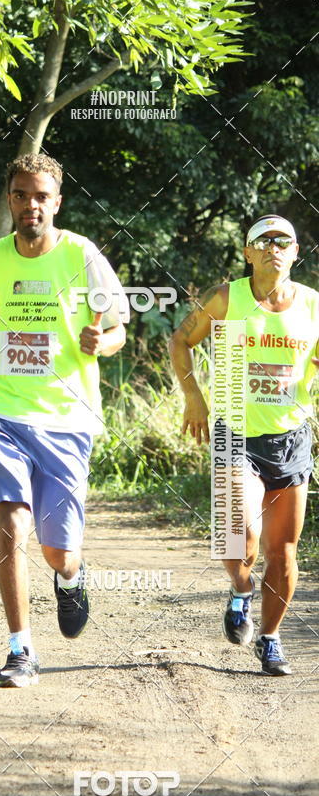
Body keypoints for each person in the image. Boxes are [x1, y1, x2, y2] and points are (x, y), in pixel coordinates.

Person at [0, 153, 129, 687]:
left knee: (58, 551)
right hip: (4, 411)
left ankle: (71, 580)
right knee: (11, 526)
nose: (31, 205)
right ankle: (21, 650)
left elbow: (117, 327)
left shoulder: (82, 255)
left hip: (67, 418)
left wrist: (102, 342)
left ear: (57, 202)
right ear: (10, 200)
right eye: (21, 195)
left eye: (41, 195)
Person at [169, 215, 319, 676]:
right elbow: (180, 340)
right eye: (264, 240)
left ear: (295, 252)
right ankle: (240, 590)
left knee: (284, 550)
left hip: (291, 436)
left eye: (284, 241)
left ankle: (270, 639)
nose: (274, 246)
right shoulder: (227, 298)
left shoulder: (313, 305)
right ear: (248, 252)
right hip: (235, 430)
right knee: (240, 535)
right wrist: (194, 397)